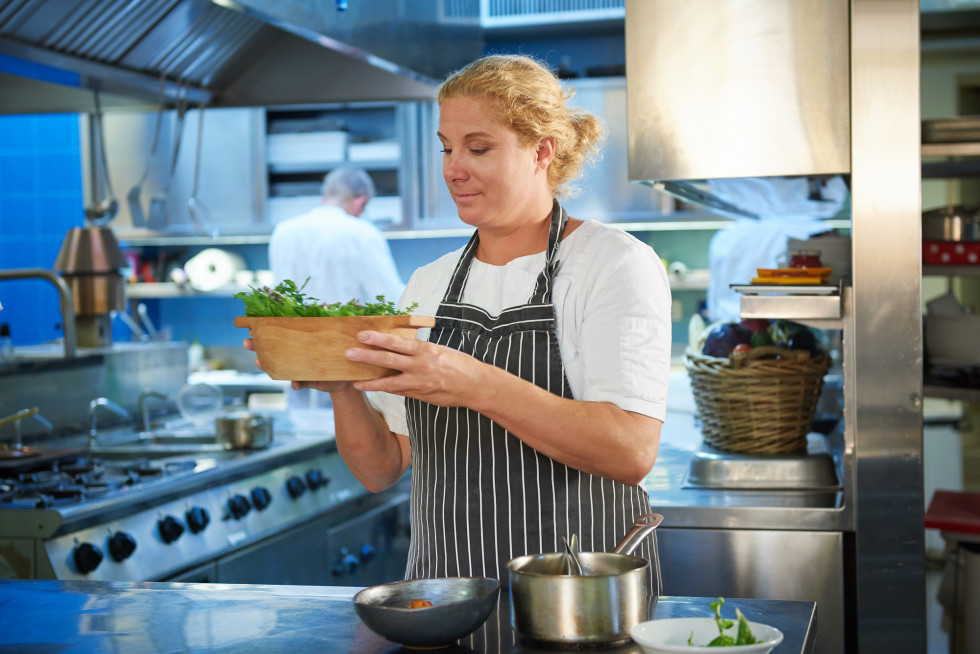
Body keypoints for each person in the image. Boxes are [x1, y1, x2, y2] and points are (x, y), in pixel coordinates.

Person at [246, 55, 671, 589]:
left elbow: (630, 452)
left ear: (543, 151)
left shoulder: (610, 262)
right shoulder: (431, 282)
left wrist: (472, 383)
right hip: (445, 600)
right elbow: (381, 468)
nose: (453, 168)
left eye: (479, 148)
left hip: (579, 602)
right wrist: (342, 388)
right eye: (447, 147)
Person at [268, 164, 405, 410]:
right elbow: (393, 302)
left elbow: (278, 300)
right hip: (350, 367)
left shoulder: (284, 232)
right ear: (360, 202)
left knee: (306, 438)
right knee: (351, 440)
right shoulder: (361, 232)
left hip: (298, 365)